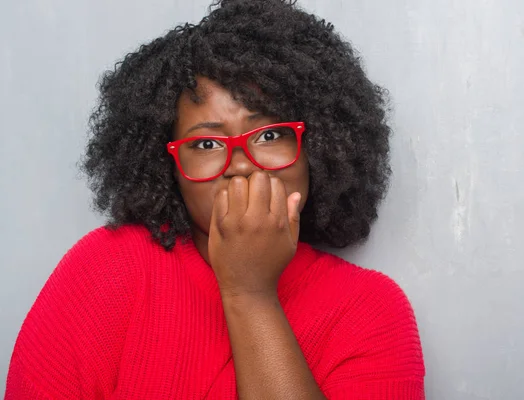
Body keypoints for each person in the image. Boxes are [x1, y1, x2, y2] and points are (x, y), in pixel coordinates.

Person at [5, 0, 425, 398]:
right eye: (205, 144)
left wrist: (250, 292)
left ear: (319, 145)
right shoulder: (106, 268)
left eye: (269, 134)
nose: (240, 165)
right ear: (167, 165)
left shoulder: (372, 311)